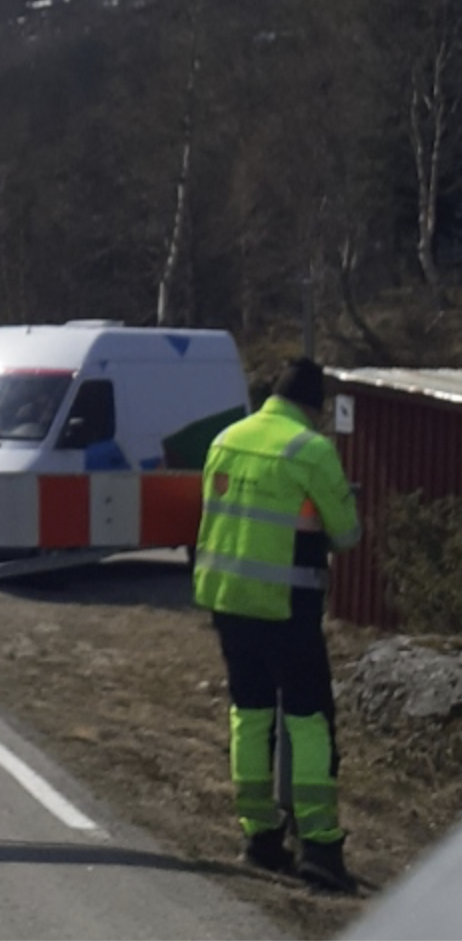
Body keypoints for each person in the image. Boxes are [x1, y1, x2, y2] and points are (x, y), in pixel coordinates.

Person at [193, 356, 362, 893]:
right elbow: (348, 533)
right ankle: (318, 844)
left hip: (227, 601)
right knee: (309, 717)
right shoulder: (310, 451)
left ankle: (260, 834)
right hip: (286, 606)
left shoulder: (226, 439)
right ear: (315, 407)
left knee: (250, 712)